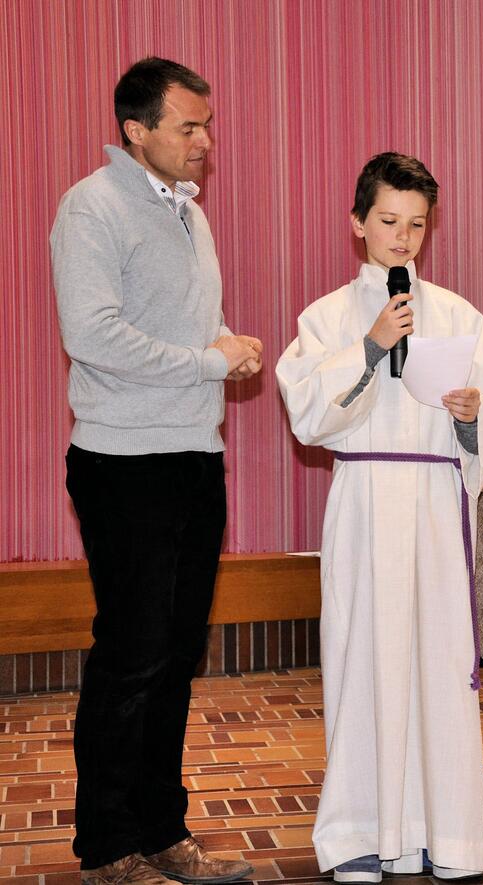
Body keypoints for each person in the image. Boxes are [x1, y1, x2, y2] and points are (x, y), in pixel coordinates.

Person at [275, 152, 483, 883]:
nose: (403, 237)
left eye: (417, 224)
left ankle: (443, 834)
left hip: (436, 506)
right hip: (365, 502)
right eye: (388, 221)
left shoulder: (458, 314)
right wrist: (373, 343)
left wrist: (475, 415)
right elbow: (309, 415)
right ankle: (359, 832)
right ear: (358, 223)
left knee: (441, 669)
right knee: (363, 660)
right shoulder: (326, 316)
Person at [51, 57, 261, 885]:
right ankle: (106, 845)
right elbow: (91, 334)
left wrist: (224, 347)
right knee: (131, 653)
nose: (205, 140)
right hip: (120, 461)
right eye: (188, 125)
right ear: (135, 130)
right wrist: (208, 362)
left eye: (208, 124)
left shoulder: (188, 214)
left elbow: (187, 330)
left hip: (193, 457)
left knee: (176, 653)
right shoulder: (91, 207)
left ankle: (161, 827)